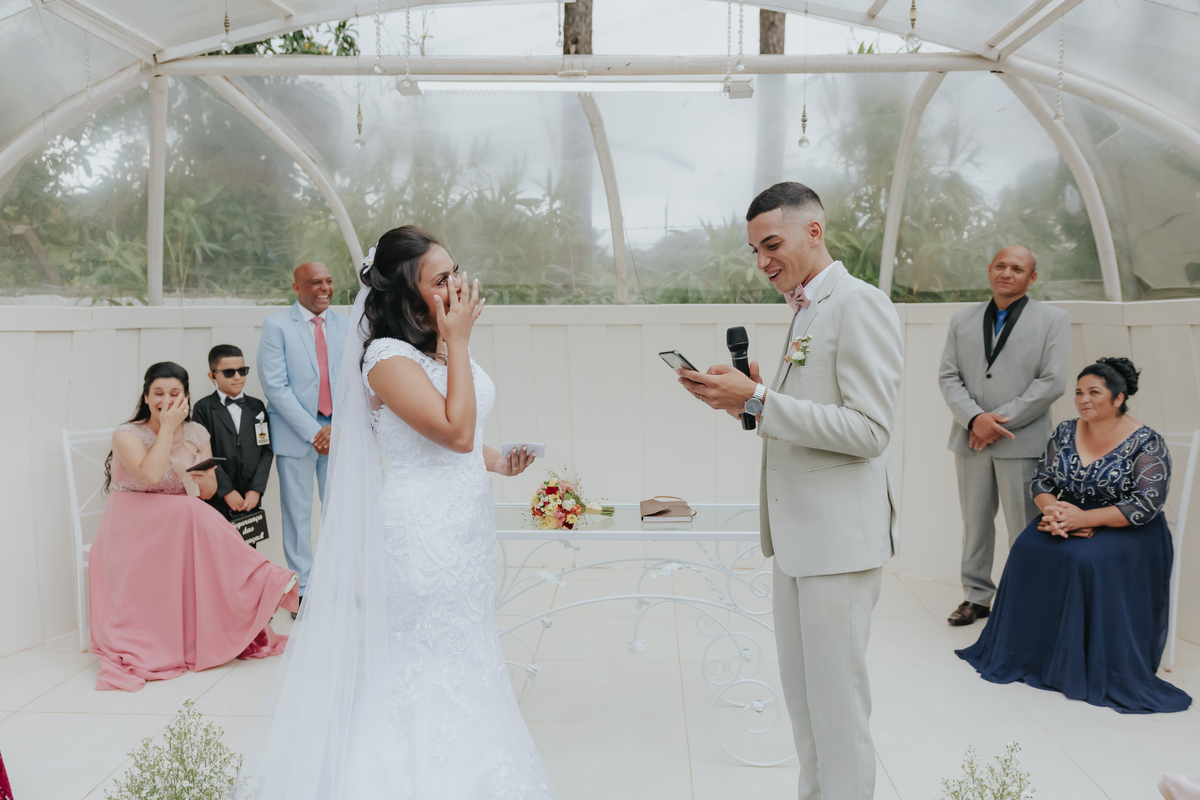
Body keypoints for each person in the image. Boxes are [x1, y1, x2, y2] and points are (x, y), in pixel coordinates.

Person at [232, 228, 551, 799]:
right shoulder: (385, 358)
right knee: (423, 662)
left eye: (455, 271)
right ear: (406, 290)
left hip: (466, 531)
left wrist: (499, 462)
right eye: (441, 279)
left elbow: (455, 439)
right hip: (421, 535)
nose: (457, 286)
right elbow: (453, 431)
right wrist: (460, 341)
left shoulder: (438, 349)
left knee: (467, 653)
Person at [676, 183, 903, 800]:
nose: (762, 261)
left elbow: (870, 431)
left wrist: (758, 398)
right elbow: (807, 414)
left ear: (814, 231)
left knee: (839, 715)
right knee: (807, 712)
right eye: (754, 250)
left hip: (839, 544)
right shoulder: (806, 308)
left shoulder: (860, 304)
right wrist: (746, 404)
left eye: (771, 244)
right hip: (798, 541)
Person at [957, 358, 1192, 714]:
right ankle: (1032, 654)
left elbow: (1146, 503)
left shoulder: (1147, 442)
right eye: (1079, 392)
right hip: (1068, 514)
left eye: (1094, 392)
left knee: (1084, 559)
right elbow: (1042, 481)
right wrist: (1055, 513)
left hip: (1130, 529)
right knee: (1027, 547)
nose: (1083, 399)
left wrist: (1086, 518)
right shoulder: (1066, 431)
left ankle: (1083, 662)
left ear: (1118, 398)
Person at [91, 362, 298, 692]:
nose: (166, 400)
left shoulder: (198, 434)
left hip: (175, 525)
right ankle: (263, 578)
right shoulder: (126, 434)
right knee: (191, 511)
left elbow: (208, 491)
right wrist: (168, 428)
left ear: (186, 397)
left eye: (174, 393)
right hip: (132, 523)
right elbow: (150, 476)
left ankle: (257, 584)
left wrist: (199, 479)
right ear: (146, 397)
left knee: (194, 508)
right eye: (158, 393)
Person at [938, 245, 1071, 627]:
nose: (1006, 273)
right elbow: (948, 376)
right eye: (1000, 265)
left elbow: (1052, 381)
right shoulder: (962, 320)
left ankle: (1028, 600)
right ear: (989, 270)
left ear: (1032, 277)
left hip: (1021, 441)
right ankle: (976, 597)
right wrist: (974, 419)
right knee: (975, 523)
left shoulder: (1053, 319)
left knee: (1025, 526)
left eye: (1017, 268)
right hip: (971, 440)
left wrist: (996, 423)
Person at [258, 263, 348, 609]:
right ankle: (304, 589)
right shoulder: (276, 326)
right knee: (296, 515)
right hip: (296, 436)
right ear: (297, 287)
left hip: (338, 433)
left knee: (338, 512)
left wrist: (337, 428)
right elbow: (275, 387)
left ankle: (337, 581)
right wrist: (314, 432)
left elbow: (355, 380)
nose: (325, 288)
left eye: (329, 281)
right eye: (315, 283)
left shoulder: (346, 325)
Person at [193, 344, 273, 523]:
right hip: (218, 496)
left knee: (248, 540)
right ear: (213, 376)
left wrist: (256, 489)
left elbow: (266, 450)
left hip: (250, 498)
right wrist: (227, 491)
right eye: (229, 372)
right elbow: (203, 454)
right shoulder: (203, 408)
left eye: (242, 371)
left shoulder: (257, 407)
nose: (237, 377)